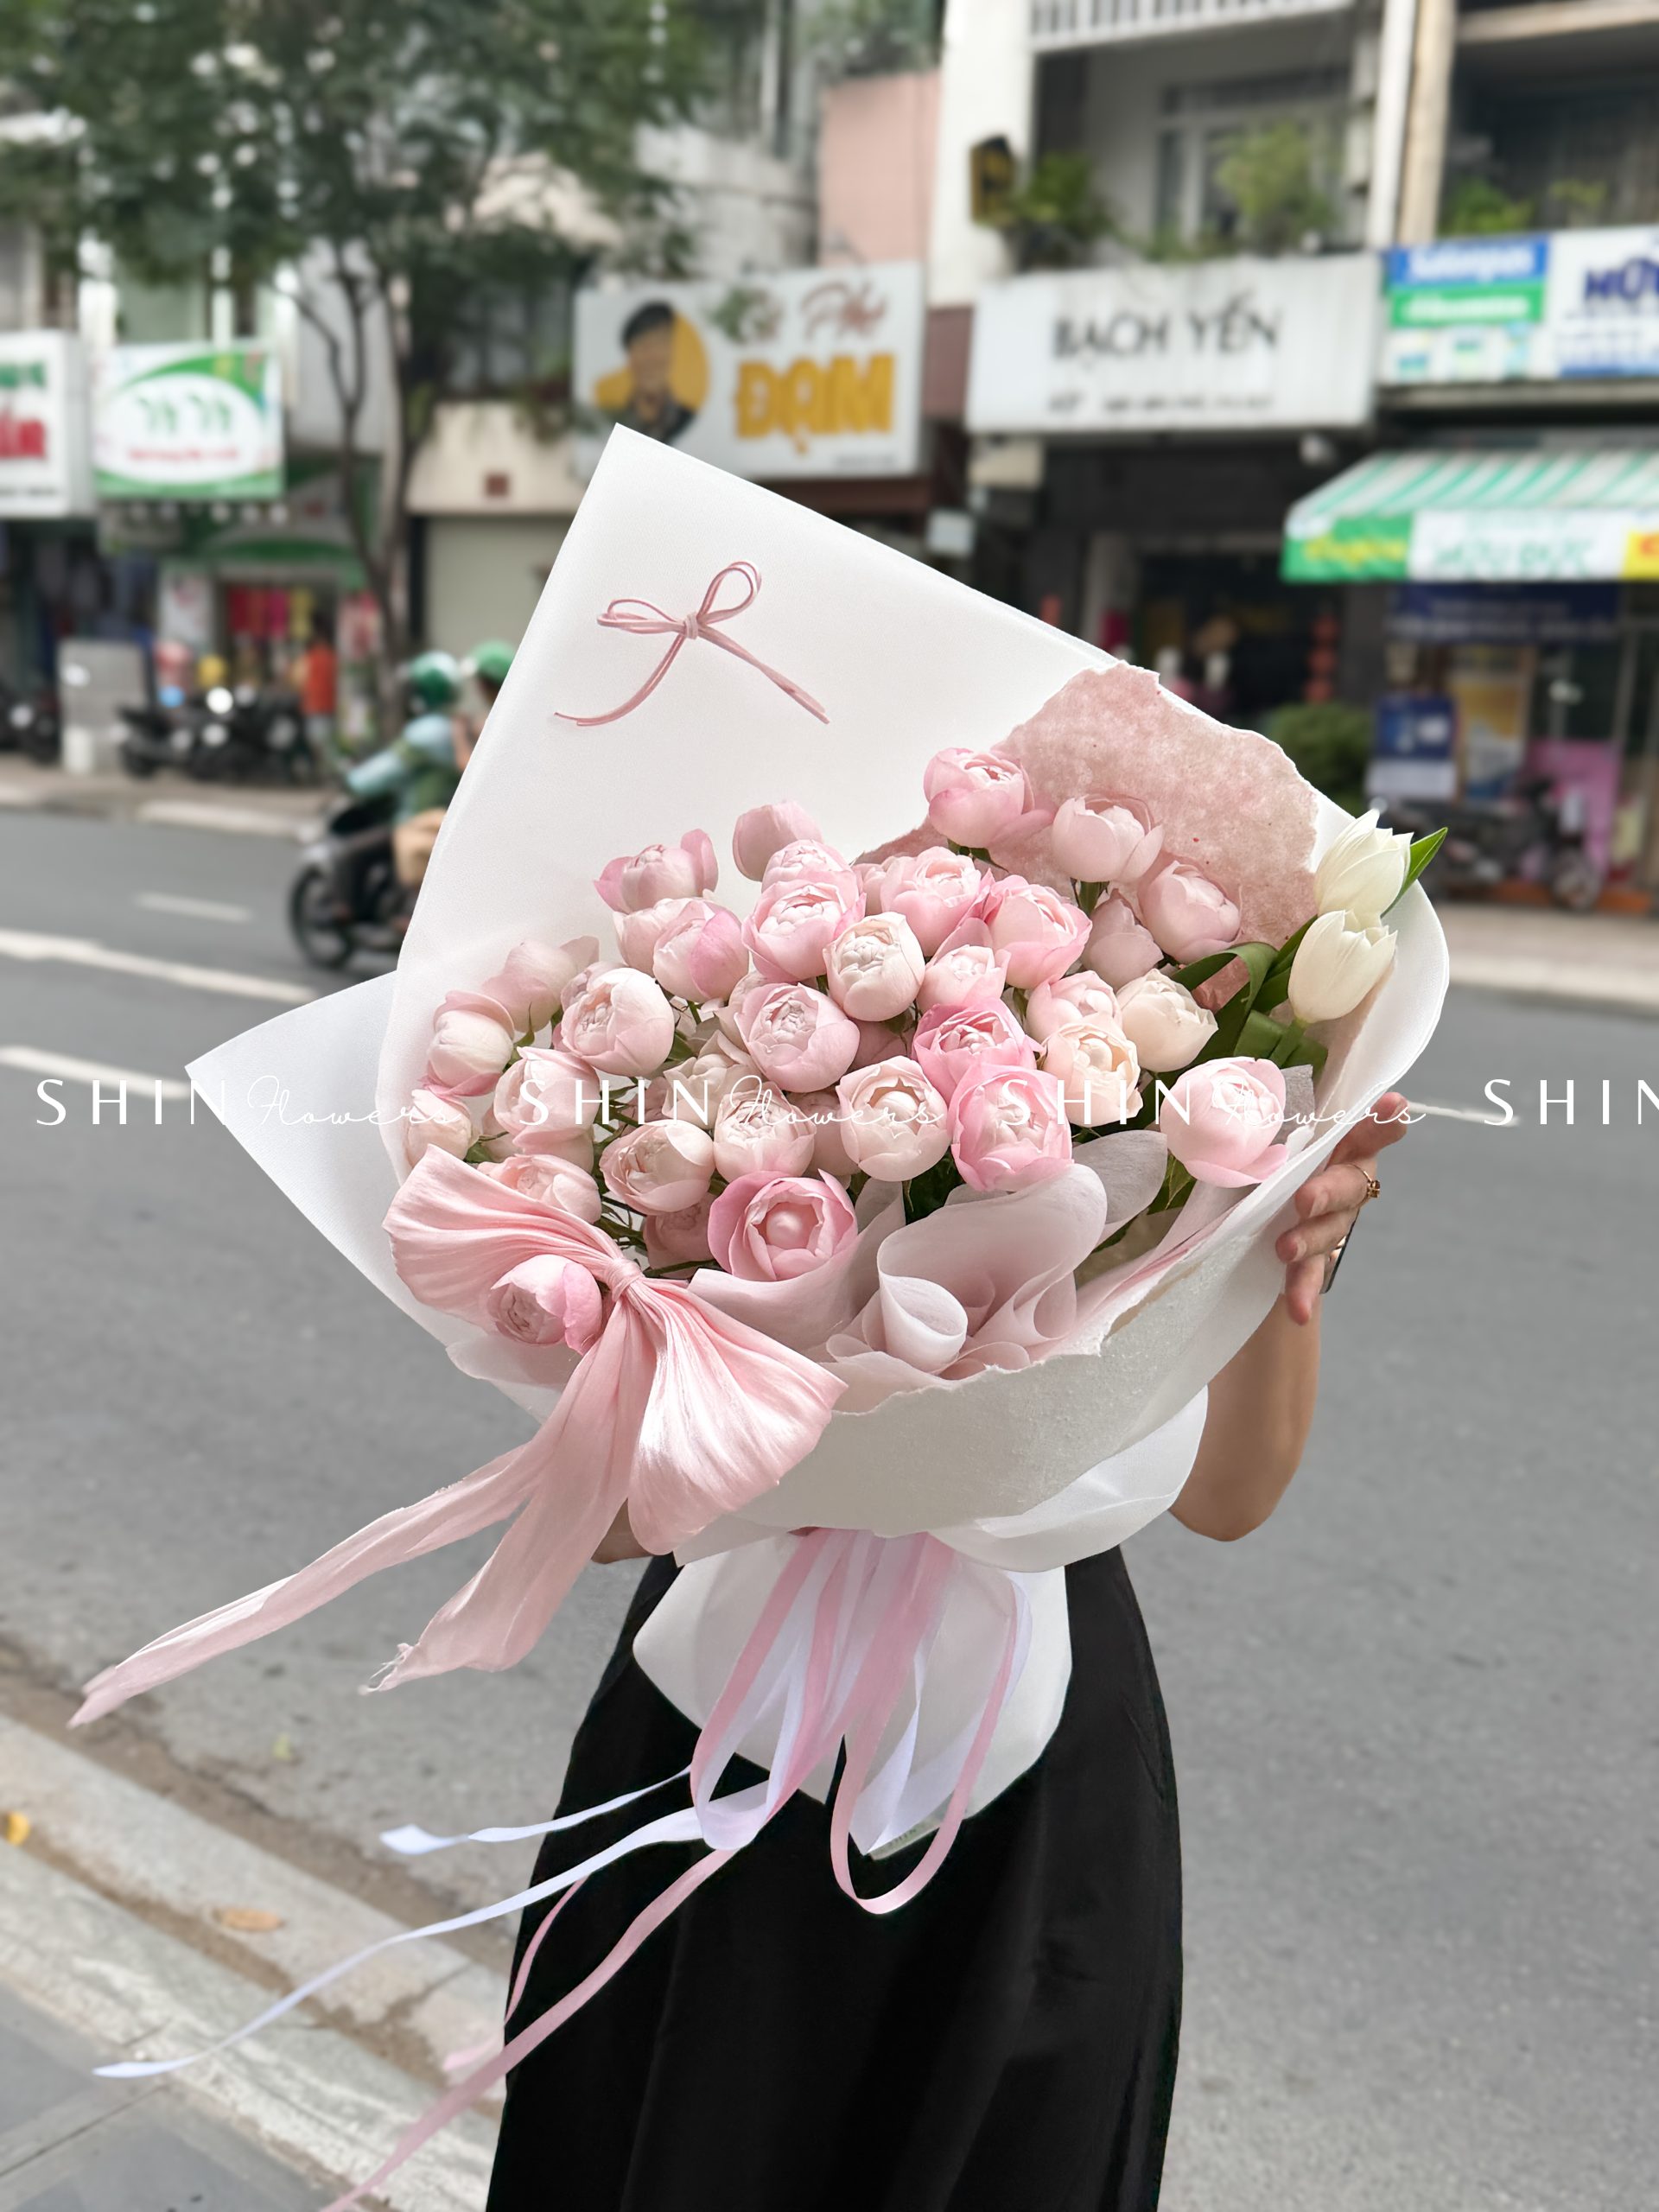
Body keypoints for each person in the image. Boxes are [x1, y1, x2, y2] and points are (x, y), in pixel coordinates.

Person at [486, 1097, 1412, 2211]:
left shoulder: (1185, 1080)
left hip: (1028, 1745)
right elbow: (603, 1514)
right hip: (721, 1711)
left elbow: (1232, 1491)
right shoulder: (729, 1074)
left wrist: (1283, 1236)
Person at [334, 651, 464, 912]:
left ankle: (345, 911)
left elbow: (385, 771)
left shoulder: (426, 733)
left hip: (416, 819)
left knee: (350, 852)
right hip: (448, 820)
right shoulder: (459, 726)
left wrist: (353, 781)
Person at [611, 301, 696, 443]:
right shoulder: (610, 420)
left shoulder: (688, 419)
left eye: (660, 342)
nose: (651, 357)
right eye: (642, 344)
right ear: (629, 356)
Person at [454, 638, 514, 772]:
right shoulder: (507, 713)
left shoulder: (506, 723)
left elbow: (472, 772)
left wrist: (459, 736)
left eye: (481, 682)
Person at [296, 612, 339, 756]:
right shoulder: (333, 656)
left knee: (319, 746)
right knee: (326, 744)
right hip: (327, 707)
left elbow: (299, 679)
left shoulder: (311, 657)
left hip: (316, 707)